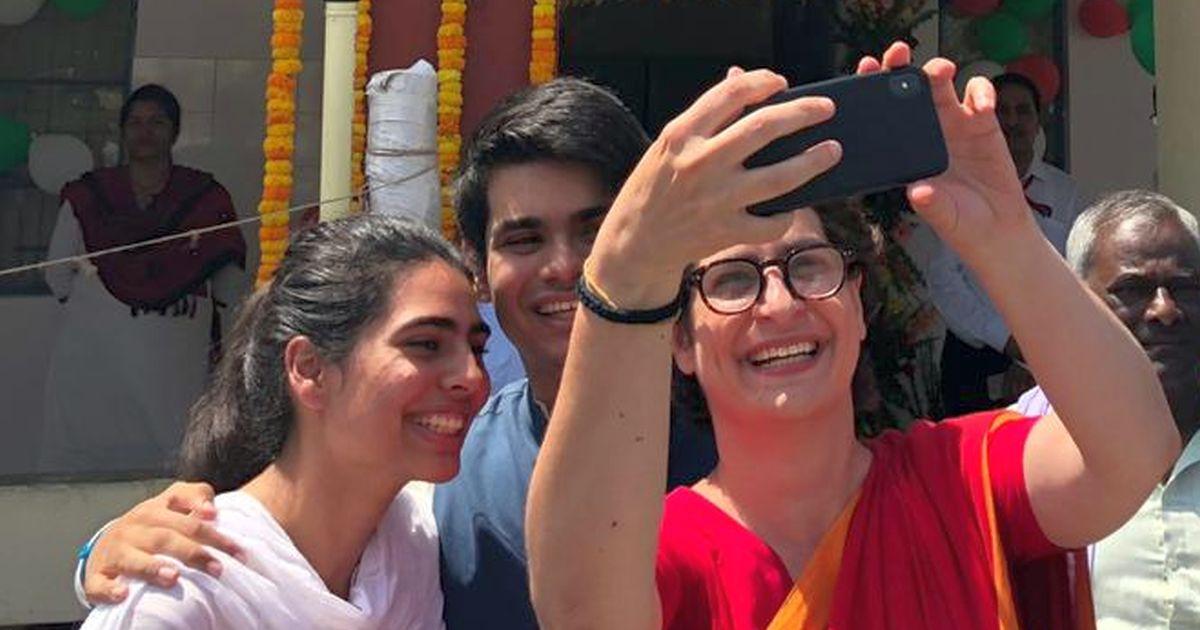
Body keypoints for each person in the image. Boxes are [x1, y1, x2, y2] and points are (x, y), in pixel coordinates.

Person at [525, 43, 1179, 629]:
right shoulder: (661, 553)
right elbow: (579, 612)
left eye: (809, 265)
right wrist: (624, 273)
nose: (779, 304)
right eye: (732, 280)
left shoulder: (961, 479)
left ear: (858, 304)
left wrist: (1003, 233)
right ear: (680, 342)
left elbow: (1135, 451)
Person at [73, 78, 717, 630]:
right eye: (525, 239)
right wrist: (108, 554)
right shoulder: (453, 482)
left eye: (596, 231)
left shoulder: (743, 435)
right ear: (481, 268)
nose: (566, 267)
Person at [80, 214, 489, 628]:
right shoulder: (181, 592)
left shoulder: (418, 546)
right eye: (426, 345)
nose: (472, 377)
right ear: (309, 369)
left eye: (478, 349)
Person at [1010, 190, 1200, 628]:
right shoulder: (1022, 453)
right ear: (1077, 301)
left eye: (1185, 288)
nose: (1164, 309)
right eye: (1132, 290)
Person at [40, 84, 247, 474]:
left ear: (175, 131)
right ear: (122, 131)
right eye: (135, 122)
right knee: (83, 462)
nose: (145, 131)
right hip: (94, 358)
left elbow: (229, 285)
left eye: (156, 122)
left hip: (173, 359)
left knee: (172, 467)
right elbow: (58, 274)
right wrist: (108, 312)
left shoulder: (204, 198)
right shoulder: (89, 196)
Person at [927, 72, 1084, 415]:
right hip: (975, 356)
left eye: (1023, 111)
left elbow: (1075, 276)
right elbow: (944, 279)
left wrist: (1031, 357)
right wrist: (1005, 339)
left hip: (1049, 351)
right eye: (1002, 111)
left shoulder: (1065, 192)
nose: (1012, 121)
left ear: (1038, 122)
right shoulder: (961, 190)